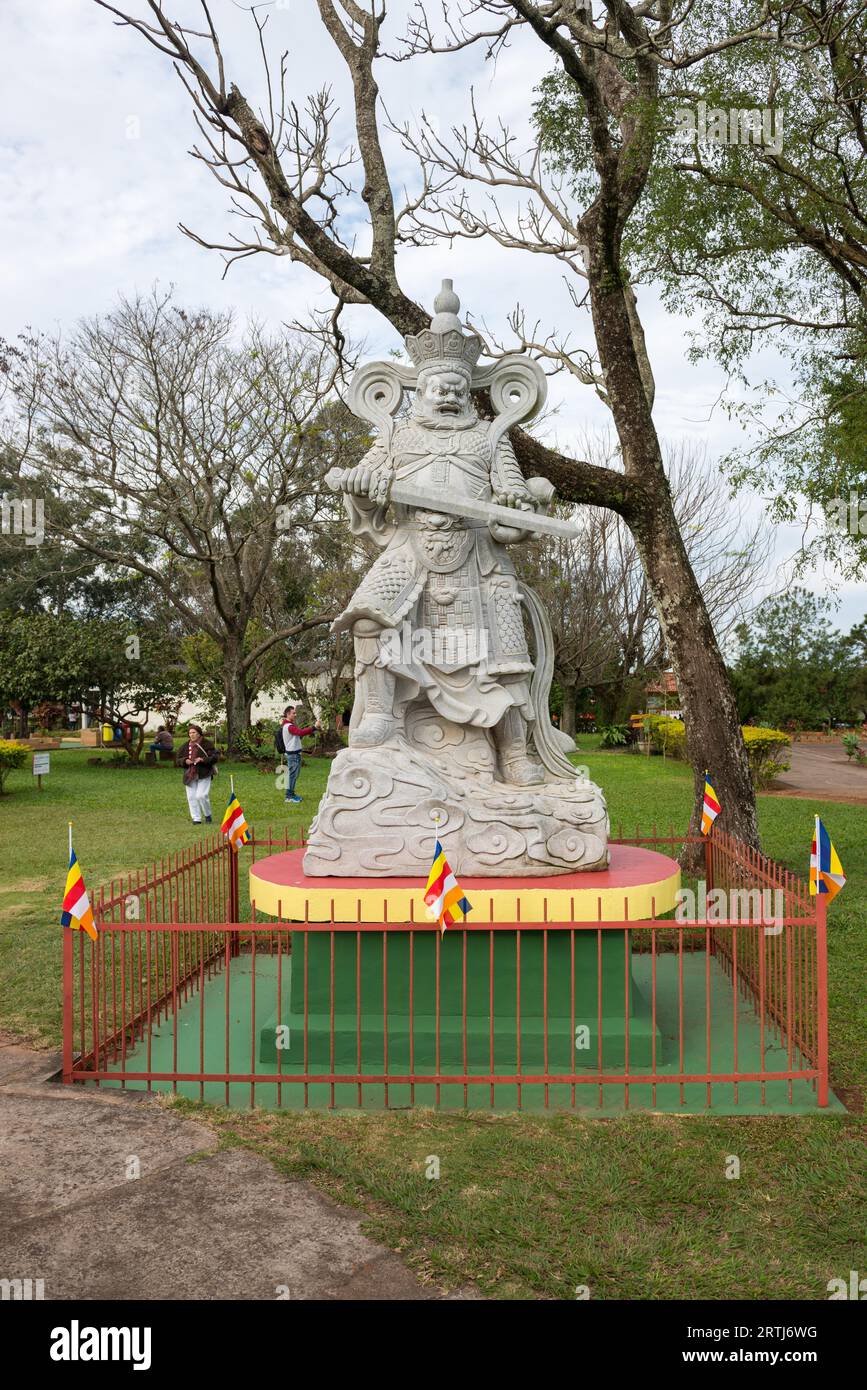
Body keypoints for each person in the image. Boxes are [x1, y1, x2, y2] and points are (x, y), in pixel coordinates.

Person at [176, 723, 219, 824]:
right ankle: (196, 818)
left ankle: (208, 815)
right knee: (191, 797)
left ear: (199, 733)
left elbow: (215, 757)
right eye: (190, 733)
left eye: (194, 732)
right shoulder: (184, 746)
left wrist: (202, 759)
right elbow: (177, 760)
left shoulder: (207, 744)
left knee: (201, 795)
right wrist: (185, 761)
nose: (192, 735)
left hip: (204, 773)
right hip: (190, 774)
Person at [275, 705, 319, 804]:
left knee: (293, 775)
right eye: (293, 713)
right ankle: (289, 796)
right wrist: (314, 727)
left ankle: (291, 794)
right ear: (288, 714)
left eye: (295, 713)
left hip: (295, 754)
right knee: (292, 776)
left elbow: (297, 736)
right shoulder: (288, 726)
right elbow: (300, 732)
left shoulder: (289, 725)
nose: (295, 714)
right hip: (293, 755)